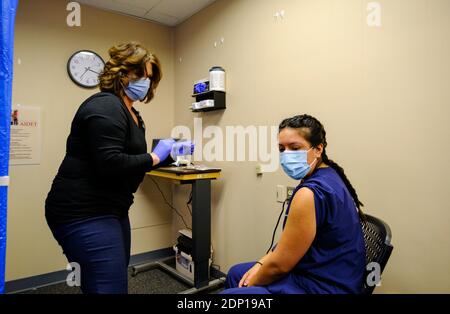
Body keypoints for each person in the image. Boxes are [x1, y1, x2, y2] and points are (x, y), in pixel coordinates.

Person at [45, 42, 192, 294]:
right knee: (109, 287)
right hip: (82, 211)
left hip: (112, 208)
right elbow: (110, 163)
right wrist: (155, 157)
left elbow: (129, 160)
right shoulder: (105, 106)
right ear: (122, 74)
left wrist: (170, 156)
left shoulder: (133, 113)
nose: (146, 81)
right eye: (141, 75)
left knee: (106, 281)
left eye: (149, 77)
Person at [222, 114, 366, 294]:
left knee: (232, 293)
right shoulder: (327, 175)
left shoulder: (309, 193)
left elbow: (279, 266)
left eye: (295, 148)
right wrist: (261, 262)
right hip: (319, 269)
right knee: (236, 274)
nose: (286, 155)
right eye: (282, 149)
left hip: (323, 286)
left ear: (318, 149)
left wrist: (251, 284)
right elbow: (289, 244)